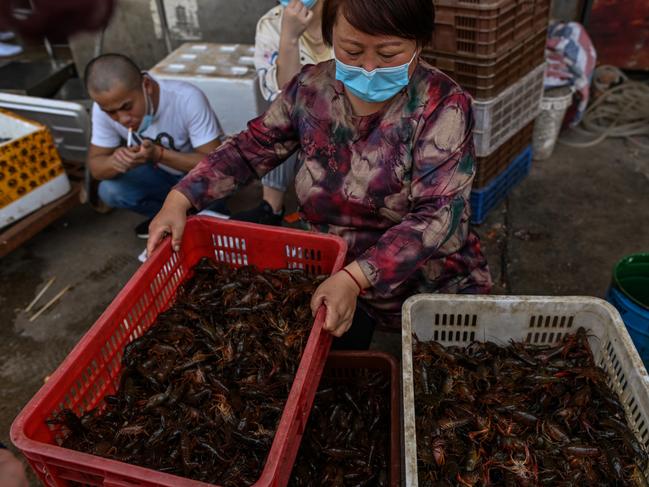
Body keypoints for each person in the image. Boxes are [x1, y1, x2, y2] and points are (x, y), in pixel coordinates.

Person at [147, 0, 492, 348]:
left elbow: (438, 213)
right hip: (333, 271)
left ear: (419, 43)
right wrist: (180, 198)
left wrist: (355, 279)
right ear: (330, 37)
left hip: (425, 281)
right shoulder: (311, 89)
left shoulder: (442, 104)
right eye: (352, 50)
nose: (369, 68)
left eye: (388, 54)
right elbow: (250, 147)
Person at [85, 53, 225, 238]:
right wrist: (116, 162)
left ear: (147, 86)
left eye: (127, 107)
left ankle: (209, 213)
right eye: (110, 112)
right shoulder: (104, 107)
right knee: (109, 190)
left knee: (214, 178)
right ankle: (166, 217)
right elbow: (96, 167)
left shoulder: (186, 98)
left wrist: (158, 154)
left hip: (197, 179)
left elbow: (216, 164)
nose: (122, 119)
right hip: (161, 176)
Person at [233, 0, 332, 225]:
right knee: (278, 121)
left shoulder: (353, 13)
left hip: (349, 120)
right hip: (304, 120)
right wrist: (289, 38)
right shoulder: (271, 24)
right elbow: (284, 97)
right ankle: (271, 206)